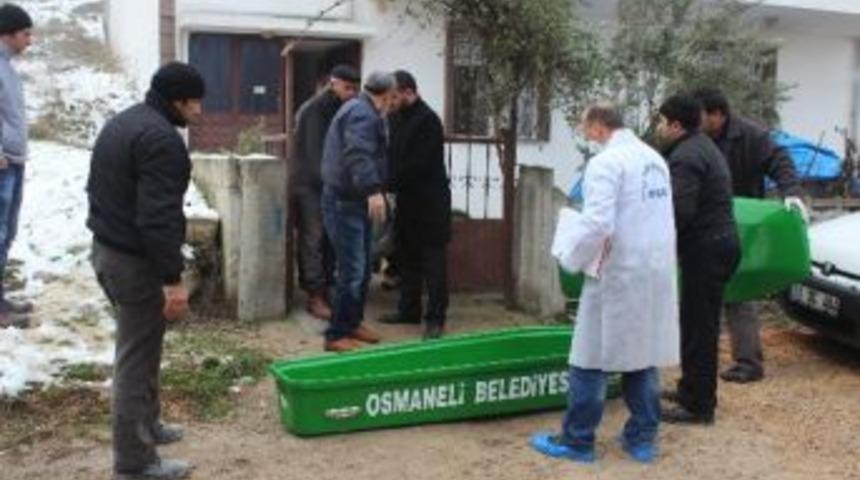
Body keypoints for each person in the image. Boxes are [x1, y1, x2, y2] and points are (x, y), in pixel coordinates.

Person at [530, 104, 678, 464]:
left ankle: (577, 440)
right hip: (653, 270)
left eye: (585, 127)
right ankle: (642, 439)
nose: (585, 134)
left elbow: (598, 224)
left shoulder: (605, 164)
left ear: (597, 126)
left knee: (588, 359)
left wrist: (569, 254)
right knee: (641, 355)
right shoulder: (654, 159)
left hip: (616, 272)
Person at [87, 62, 205, 480]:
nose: (199, 112)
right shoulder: (161, 140)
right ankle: (134, 463)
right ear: (176, 101)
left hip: (107, 250)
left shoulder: (125, 122)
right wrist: (173, 280)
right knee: (135, 359)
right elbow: (158, 219)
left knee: (146, 344)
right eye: (195, 103)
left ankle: (148, 424)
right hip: (133, 263)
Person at [692, 87, 806, 384]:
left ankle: (749, 362)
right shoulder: (695, 136)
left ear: (718, 114)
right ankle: (700, 360)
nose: (696, 120)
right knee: (700, 294)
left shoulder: (751, 136)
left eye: (701, 115)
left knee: (739, 294)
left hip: (741, 224)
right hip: (702, 222)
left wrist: (791, 192)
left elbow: (780, 160)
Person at [656, 94, 740, 425]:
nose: (659, 128)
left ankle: (699, 406)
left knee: (701, 327)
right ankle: (690, 389)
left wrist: (659, 247)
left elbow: (680, 211)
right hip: (716, 245)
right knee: (694, 323)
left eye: (662, 122)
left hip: (707, 248)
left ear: (676, 125)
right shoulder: (702, 146)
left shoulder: (686, 157)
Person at [320, 71, 395, 352]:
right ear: (386, 95)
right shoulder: (363, 114)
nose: (392, 103)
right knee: (352, 271)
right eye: (392, 98)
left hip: (352, 200)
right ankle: (336, 334)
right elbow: (357, 154)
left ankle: (352, 323)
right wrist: (373, 190)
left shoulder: (360, 108)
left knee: (362, 269)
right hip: (345, 202)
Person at [378, 70, 451, 340]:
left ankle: (435, 319)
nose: (391, 101)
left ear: (409, 92)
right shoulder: (394, 118)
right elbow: (391, 156)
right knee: (407, 260)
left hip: (430, 204)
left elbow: (418, 164)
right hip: (406, 203)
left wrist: (387, 183)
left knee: (433, 265)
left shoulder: (429, 121)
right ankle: (408, 310)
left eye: (395, 96)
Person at [292, 65, 360, 321]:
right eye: (348, 88)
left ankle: (327, 289)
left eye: (356, 88)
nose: (352, 93)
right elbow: (314, 155)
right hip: (311, 185)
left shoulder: (342, 108)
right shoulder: (314, 110)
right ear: (333, 84)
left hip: (332, 185)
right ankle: (315, 295)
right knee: (313, 239)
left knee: (331, 239)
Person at [0, 3, 33, 329]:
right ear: (7, 33)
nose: (29, 40)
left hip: (13, 161)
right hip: (2, 163)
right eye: (25, 34)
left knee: (6, 234)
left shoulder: (7, 67)